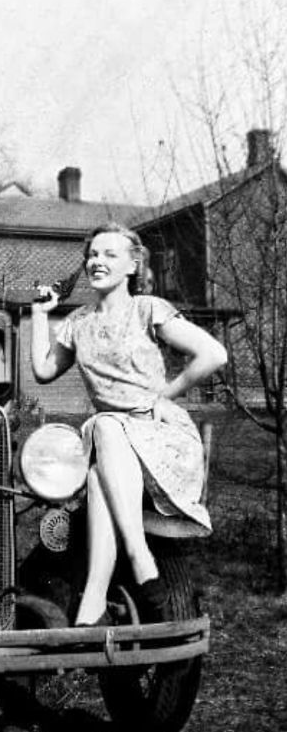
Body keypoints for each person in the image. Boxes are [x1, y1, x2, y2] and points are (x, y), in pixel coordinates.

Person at [31, 222, 227, 626]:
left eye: (110, 255)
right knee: (103, 455)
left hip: (157, 433)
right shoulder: (78, 322)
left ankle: (138, 556)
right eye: (93, 255)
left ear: (133, 265)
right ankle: (97, 600)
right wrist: (38, 315)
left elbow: (214, 353)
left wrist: (166, 394)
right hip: (111, 440)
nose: (97, 262)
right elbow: (43, 370)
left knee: (103, 430)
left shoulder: (147, 309)